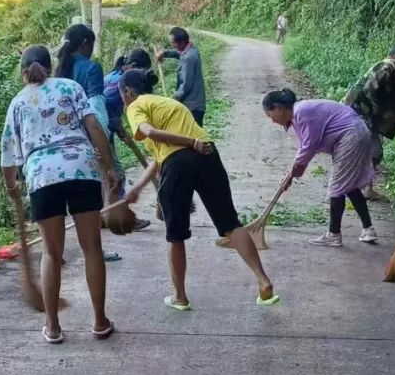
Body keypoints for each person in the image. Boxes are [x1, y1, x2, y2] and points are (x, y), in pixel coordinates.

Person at [117, 69, 279, 308]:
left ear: (128, 92)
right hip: (207, 156)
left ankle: (180, 297)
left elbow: (151, 133)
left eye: (122, 95)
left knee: (176, 235)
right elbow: (160, 157)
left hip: (183, 159)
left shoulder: (135, 105)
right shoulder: (168, 102)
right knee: (230, 224)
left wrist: (190, 143)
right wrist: (138, 188)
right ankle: (263, 281)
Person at [0, 45, 119, 343]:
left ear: (23, 72)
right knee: (91, 247)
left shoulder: (18, 102)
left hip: (42, 175)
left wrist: (11, 185)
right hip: (80, 168)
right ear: (51, 66)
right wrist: (109, 167)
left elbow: (8, 154)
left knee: (52, 253)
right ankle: (100, 322)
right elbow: (94, 126)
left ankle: (53, 327)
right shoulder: (71, 87)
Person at [57, 23, 150, 245]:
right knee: (114, 173)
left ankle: (102, 218)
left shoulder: (62, 70)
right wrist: (104, 139)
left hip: (69, 137)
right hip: (93, 134)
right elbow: (97, 109)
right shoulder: (91, 68)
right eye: (91, 45)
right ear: (85, 43)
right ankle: (117, 217)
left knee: (93, 182)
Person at [262, 89, 376, 247]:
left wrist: (293, 173)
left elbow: (309, 147)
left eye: (270, 115)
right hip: (355, 134)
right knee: (349, 185)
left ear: (278, 108)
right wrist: (291, 173)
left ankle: (334, 234)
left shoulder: (301, 112)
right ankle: (368, 229)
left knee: (337, 186)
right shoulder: (297, 116)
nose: (272, 121)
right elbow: (305, 148)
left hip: (351, 136)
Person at [344, 45, 395, 212]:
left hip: (372, 117)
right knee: (373, 151)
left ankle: (363, 187)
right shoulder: (388, 67)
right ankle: (353, 185)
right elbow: (369, 90)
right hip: (357, 111)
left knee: (373, 152)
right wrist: (386, 113)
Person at [156, 27, 206, 126]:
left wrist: (173, 98)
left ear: (182, 42)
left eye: (173, 43)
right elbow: (179, 53)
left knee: (195, 137)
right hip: (196, 103)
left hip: (192, 105)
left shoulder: (189, 58)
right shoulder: (192, 50)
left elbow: (186, 85)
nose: (172, 45)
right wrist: (164, 53)